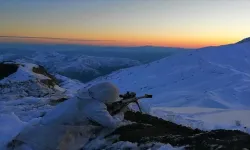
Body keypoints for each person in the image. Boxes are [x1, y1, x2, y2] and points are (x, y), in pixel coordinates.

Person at [10, 82, 123, 150]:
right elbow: (111, 124)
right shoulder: (94, 107)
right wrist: (120, 115)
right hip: (56, 134)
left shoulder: (84, 96)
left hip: (47, 124)